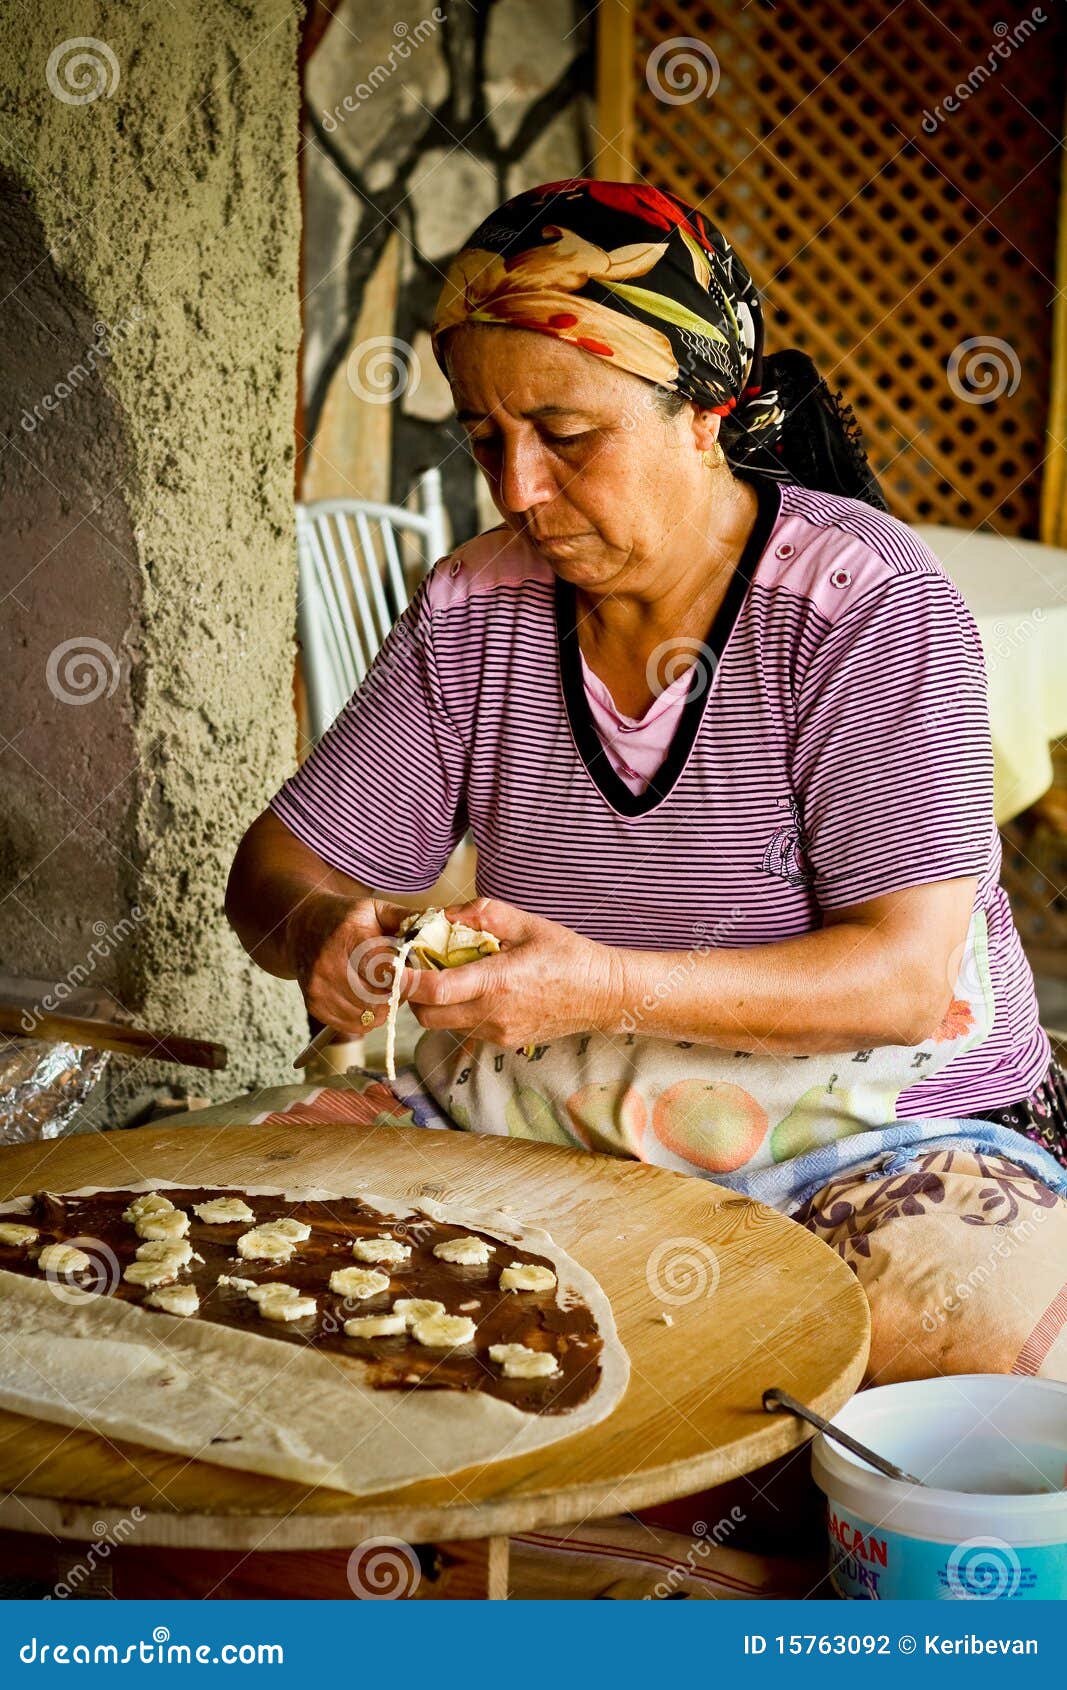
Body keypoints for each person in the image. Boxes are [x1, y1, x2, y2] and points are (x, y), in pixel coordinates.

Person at [227, 180, 1067, 1389]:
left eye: (565, 435)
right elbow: (276, 867)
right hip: (532, 1120)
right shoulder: (474, 606)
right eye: (483, 438)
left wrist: (603, 987)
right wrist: (319, 930)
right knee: (245, 1256)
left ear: (703, 414)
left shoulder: (860, 604)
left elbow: (898, 980)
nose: (517, 488)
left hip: (862, 1145)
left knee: (969, 1336)